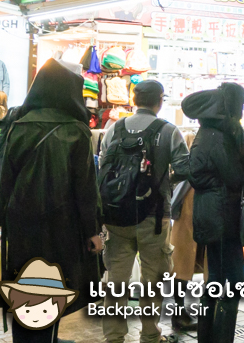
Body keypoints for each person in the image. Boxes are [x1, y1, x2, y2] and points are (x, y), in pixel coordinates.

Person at [0, 59, 102, 343]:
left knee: (24, 284)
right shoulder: (77, 130)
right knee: (54, 286)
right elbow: (86, 189)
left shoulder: (19, 125)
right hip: (62, 226)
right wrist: (93, 230)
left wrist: (2, 218)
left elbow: (7, 178)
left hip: (21, 224)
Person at [99, 80, 190, 343]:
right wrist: (165, 182)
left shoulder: (114, 129)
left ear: (134, 99)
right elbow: (185, 169)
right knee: (153, 279)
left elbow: (103, 166)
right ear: (159, 101)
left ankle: (113, 337)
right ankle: (150, 335)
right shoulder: (169, 131)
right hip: (154, 217)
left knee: (116, 280)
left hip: (116, 216)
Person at [183, 83, 244, 343]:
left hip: (212, 215)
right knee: (232, 283)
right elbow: (237, 176)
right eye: (241, 104)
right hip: (223, 216)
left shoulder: (207, 133)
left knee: (215, 282)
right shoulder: (221, 137)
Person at [169, 132, 199, 334]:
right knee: (181, 269)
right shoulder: (191, 174)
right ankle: (179, 314)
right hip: (187, 225)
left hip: (186, 226)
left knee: (182, 268)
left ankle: (179, 313)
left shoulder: (184, 173)